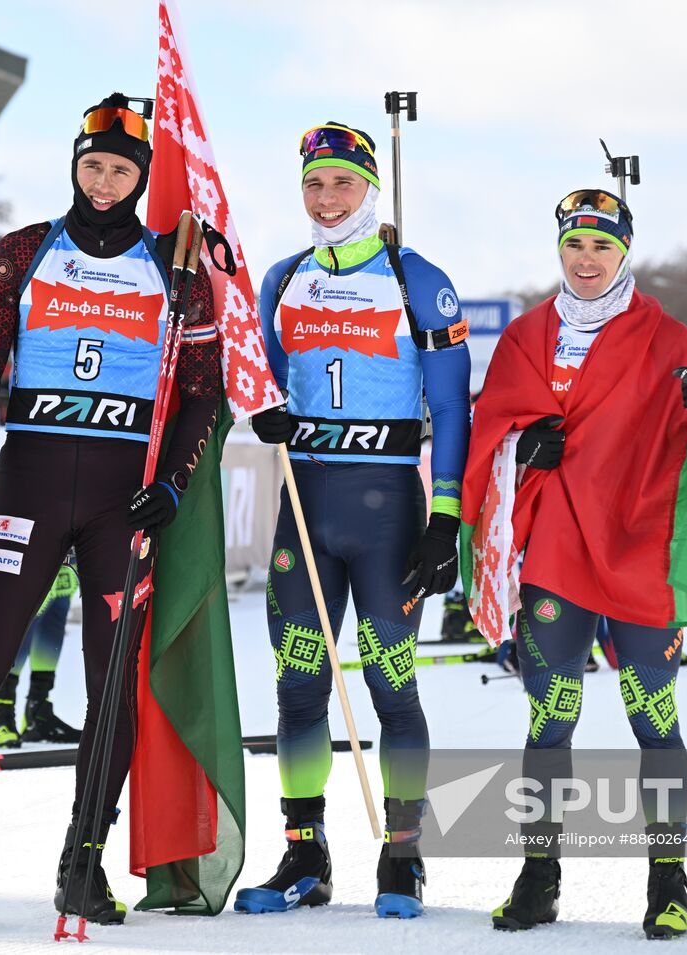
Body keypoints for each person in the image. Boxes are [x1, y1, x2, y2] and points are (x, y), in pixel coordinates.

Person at [0, 93, 222, 931]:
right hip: (28, 484)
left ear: (142, 178)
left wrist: (172, 483)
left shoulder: (174, 271)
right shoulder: (24, 253)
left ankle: (85, 860)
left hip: (120, 498)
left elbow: (202, 395)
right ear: (74, 163)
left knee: (110, 687)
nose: (104, 181)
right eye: (93, 164)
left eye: (122, 169)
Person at [460, 189, 687, 938]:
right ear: (558, 248)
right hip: (556, 554)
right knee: (548, 720)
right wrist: (521, 449)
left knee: (654, 720)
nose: (587, 259)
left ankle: (667, 881)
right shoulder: (527, 336)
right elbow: (488, 437)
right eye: (575, 244)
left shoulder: (668, 339)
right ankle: (539, 877)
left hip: (636, 554)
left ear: (625, 252)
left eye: (602, 245)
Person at [234, 122, 471, 919]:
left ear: (370, 188)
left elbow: (450, 406)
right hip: (305, 508)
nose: (328, 198)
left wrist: (446, 519)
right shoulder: (283, 278)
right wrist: (263, 412)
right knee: (298, 686)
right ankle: (305, 853)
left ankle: (403, 853)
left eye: (342, 183)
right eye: (314, 184)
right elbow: (257, 375)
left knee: (389, 683)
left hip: (386, 515)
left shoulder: (417, 279)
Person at [0, 557, 83, 748]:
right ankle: (1, 714)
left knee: (57, 606)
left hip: (71, 539)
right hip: (34, 537)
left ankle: (38, 711)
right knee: (28, 615)